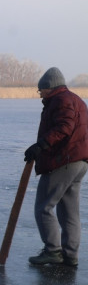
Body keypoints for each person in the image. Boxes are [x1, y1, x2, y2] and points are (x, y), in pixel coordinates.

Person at [24, 67, 88, 267]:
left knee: (44, 207)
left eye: (40, 90)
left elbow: (64, 127)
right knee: (69, 211)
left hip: (64, 160)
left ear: (49, 87)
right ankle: (70, 255)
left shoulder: (61, 101)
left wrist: (41, 145)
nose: (40, 94)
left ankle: (52, 251)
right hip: (80, 161)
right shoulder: (75, 99)